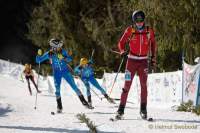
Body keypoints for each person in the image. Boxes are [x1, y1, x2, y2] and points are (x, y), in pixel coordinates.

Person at [116, 10, 157, 119]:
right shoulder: (130, 30)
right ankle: (121, 110)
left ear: (144, 20)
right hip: (131, 61)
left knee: (144, 85)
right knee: (127, 85)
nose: (139, 23)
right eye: (137, 21)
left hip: (143, 61)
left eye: (141, 21)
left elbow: (153, 44)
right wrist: (122, 51)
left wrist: (153, 57)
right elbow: (121, 43)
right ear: (134, 21)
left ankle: (143, 110)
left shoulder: (149, 31)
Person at [36, 38, 92, 113]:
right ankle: (59, 106)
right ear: (54, 47)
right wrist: (38, 55)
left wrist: (64, 57)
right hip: (57, 73)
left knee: (74, 86)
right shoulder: (49, 53)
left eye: (60, 46)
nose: (60, 48)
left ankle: (84, 102)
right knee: (57, 89)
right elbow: (38, 60)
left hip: (66, 72)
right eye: (59, 46)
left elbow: (70, 59)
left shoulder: (63, 51)